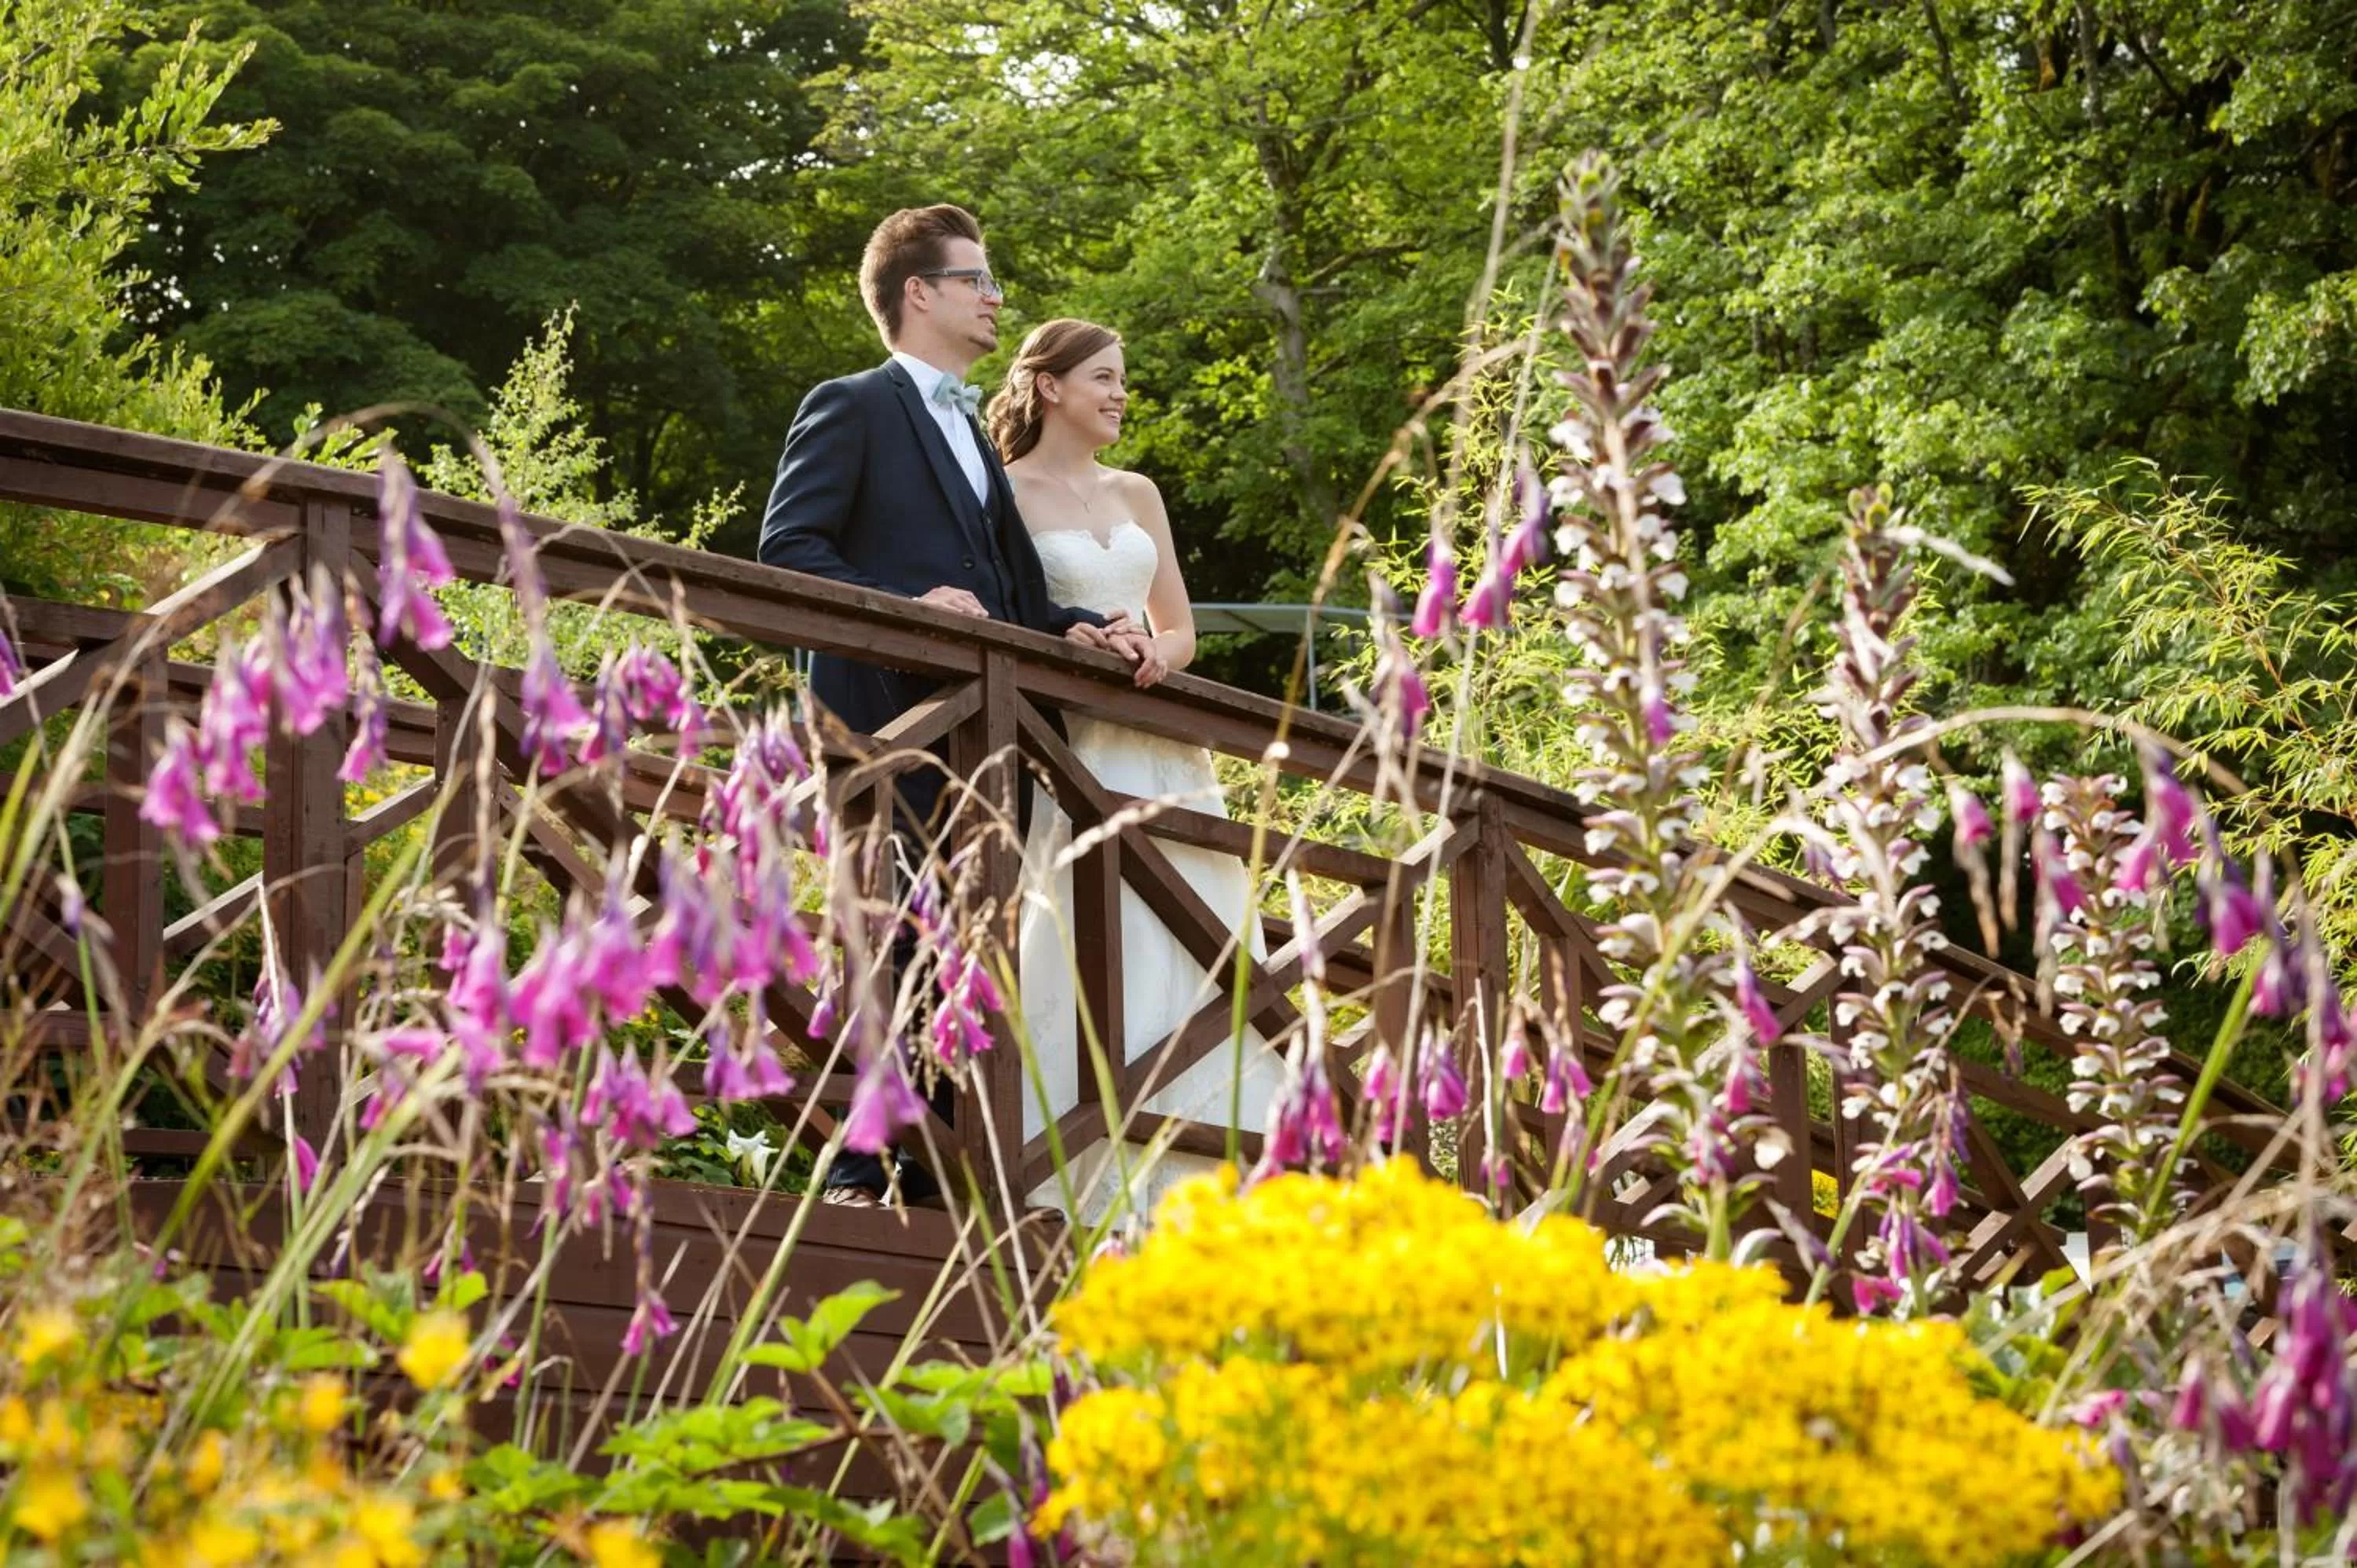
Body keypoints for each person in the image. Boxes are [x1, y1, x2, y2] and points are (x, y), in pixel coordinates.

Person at [757, 207, 1151, 1207]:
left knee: (962, 949)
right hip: (886, 727)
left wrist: (1075, 628)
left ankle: (929, 1178)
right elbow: (787, 552)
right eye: (976, 279)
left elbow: (1015, 595)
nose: (995, 298)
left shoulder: (975, 434)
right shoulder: (848, 405)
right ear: (918, 293)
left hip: (989, 740)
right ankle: (859, 1175)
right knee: (888, 938)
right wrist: (910, 609)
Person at [990, 319, 1285, 1222]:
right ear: (1049, 387)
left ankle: (1222, 1174)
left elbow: (1183, 625)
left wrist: (1159, 652)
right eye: (1105, 378)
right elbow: (1015, 611)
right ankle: (1074, 1174)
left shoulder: (1139, 491)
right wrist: (1076, 638)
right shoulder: (1003, 494)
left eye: (1124, 380)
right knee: (1087, 929)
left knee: (1200, 934)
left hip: (1166, 749)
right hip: (1075, 748)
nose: (1121, 395)